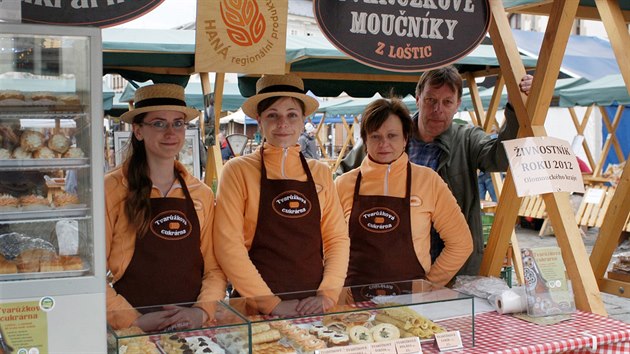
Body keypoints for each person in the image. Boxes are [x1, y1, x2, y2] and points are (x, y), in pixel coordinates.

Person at [337, 66, 532, 277]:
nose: (438, 109)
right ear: (419, 97)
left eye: (447, 102)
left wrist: (515, 109)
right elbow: (342, 179)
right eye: (431, 100)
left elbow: (501, 158)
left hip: (452, 267)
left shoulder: (466, 139)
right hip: (385, 266)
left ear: (458, 104)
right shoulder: (390, 133)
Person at [213, 74, 349, 317]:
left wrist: (327, 294)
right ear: (259, 120)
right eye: (272, 115)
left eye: (291, 115)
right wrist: (271, 304)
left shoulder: (320, 173)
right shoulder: (238, 170)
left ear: (303, 120)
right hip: (254, 308)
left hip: (314, 307)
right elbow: (228, 246)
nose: (282, 123)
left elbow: (336, 239)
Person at [105, 83, 227, 331]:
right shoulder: (113, 188)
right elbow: (94, 273)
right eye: (159, 123)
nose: (171, 132)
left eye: (178, 123)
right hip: (132, 333)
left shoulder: (201, 194)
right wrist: (132, 320)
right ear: (138, 130)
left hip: (191, 329)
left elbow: (214, 269)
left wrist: (202, 311)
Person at [335, 98, 472, 298]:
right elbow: (324, 244)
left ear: (405, 138)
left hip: (411, 304)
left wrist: (429, 285)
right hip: (352, 303)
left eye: (392, 136)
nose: (384, 144)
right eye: (375, 136)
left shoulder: (428, 181)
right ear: (365, 140)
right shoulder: (343, 184)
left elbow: (461, 243)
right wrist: (334, 290)